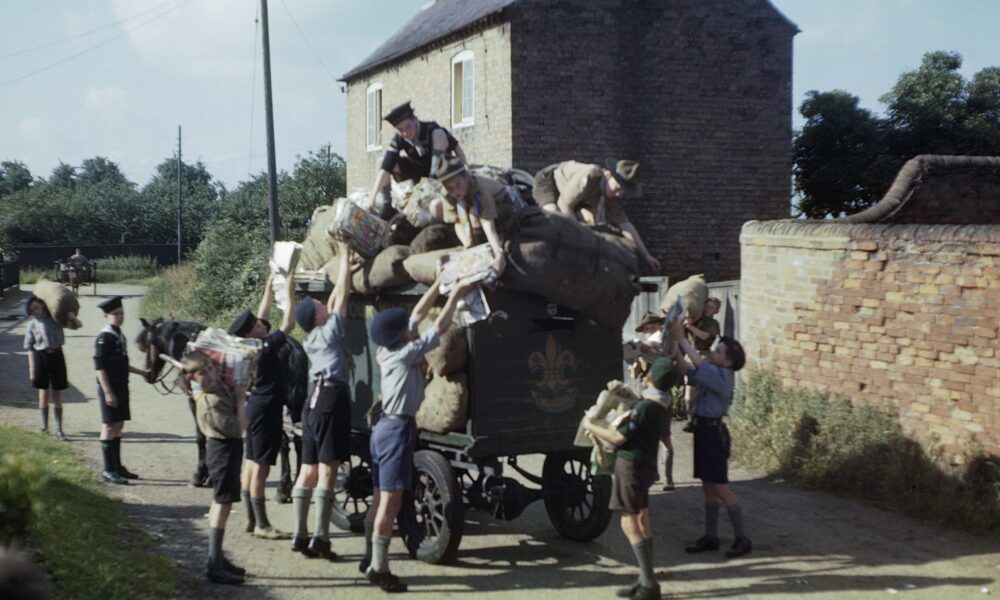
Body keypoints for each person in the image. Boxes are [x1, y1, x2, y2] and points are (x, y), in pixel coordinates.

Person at [361, 278, 472, 593]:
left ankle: (369, 556)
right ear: (403, 337)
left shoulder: (387, 350)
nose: (412, 327)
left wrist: (439, 282)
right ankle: (380, 569)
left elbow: (418, 313)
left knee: (381, 495)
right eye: (407, 328)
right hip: (396, 430)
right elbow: (439, 326)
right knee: (391, 502)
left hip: (385, 428)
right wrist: (457, 295)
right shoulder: (405, 355)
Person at [288, 242, 353, 560]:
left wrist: (343, 270)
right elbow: (342, 300)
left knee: (308, 470)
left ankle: (299, 534)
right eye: (318, 303)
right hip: (331, 400)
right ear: (316, 316)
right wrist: (346, 260)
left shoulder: (314, 337)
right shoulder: (328, 332)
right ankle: (321, 538)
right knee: (328, 470)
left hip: (312, 404)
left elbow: (333, 301)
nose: (323, 303)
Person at [583, 361, 669, 600]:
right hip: (646, 466)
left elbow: (618, 437)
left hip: (631, 467)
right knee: (643, 520)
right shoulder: (661, 406)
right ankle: (644, 578)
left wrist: (591, 424)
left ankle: (650, 584)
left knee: (628, 523)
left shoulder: (642, 408)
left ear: (651, 377)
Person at [667, 320, 751, 559]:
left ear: (728, 362)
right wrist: (675, 346)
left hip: (713, 433)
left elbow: (697, 364)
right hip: (704, 431)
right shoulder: (714, 371)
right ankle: (711, 536)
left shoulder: (722, 375)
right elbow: (687, 372)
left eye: (718, 351)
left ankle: (742, 538)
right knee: (708, 487)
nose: (713, 352)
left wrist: (681, 338)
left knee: (721, 488)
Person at [232, 273, 295, 539]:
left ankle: (250, 518)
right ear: (252, 331)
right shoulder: (266, 346)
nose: (262, 324)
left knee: (250, 461)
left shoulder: (250, 344)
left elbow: (262, 315)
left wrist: (268, 291)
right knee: (261, 466)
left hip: (254, 405)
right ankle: (262, 524)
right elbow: (289, 323)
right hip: (267, 408)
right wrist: (289, 290)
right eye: (258, 324)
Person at [183, 353, 248, 585]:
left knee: (222, 502)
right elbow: (239, 429)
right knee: (222, 503)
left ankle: (218, 558)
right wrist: (240, 401)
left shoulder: (211, 390)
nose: (210, 375)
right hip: (222, 452)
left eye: (211, 369)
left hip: (225, 451)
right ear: (192, 377)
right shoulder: (210, 401)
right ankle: (213, 564)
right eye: (204, 372)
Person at [533, 159, 660, 272]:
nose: (619, 193)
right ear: (608, 175)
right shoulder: (590, 174)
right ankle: (548, 258)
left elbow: (625, 225)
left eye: (623, 191)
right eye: (618, 188)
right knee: (554, 215)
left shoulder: (610, 195)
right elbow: (564, 204)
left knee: (591, 223)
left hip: (575, 198)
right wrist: (580, 237)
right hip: (550, 182)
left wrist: (647, 256)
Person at [367, 101, 467, 211]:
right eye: (400, 130)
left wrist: (465, 170)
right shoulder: (399, 138)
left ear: (415, 119)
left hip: (440, 171)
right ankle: (387, 206)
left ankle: (432, 188)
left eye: (408, 127)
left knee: (438, 134)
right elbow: (385, 167)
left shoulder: (431, 128)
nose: (405, 133)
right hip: (417, 171)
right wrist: (372, 199)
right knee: (381, 160)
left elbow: (457, 148)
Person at [94, 296, 149, 484]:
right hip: (109, 388)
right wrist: (108, 392)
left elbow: (123, 364)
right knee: (109, 426)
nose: (119, 316)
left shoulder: (118, 334)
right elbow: (100, 368)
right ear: (106, 316)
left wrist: (141, 372)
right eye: (115, 314)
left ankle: (117, 466)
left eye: (121, 313)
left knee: (119, 425)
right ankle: (108, 469)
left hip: (121, 386)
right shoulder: (104, 338)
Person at [430, 157, 513, 274]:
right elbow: (456, 222)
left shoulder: (480, 189)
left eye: (458, 185)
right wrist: (466, 245)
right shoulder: (447, 193)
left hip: (502, 205)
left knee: (474, 213)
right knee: (461, 209)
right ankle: (474, 246)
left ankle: (482, 246)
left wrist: (498, 253)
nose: (455, 191)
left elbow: (488, 224)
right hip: (470, 205)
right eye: (450, 188)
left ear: (467, 177)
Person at [24, 296, 70, 441]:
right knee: (43, 392)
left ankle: (59, 429)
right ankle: (44, 427)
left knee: (57, 392)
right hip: (41, 357)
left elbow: (73, 324)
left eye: (37, 307)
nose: (35, 311)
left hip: (56, 356)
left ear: (43, 306)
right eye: (32, 310)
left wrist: (72, 317)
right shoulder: (32, 325)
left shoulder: (55, 319)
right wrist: (32, 368)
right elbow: (30, 347)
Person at [682, 298, 722, 432]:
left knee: (700, 389)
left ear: (716, 311)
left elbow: (705, 336)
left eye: (712, 307)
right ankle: (690, 418)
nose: (708, 309)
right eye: (707, 306)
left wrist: (690, 326)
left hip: (703, 356)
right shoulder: (695, 319)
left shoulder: (713, 323)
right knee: (690, 388)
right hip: (690, 355)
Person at [642, 357, 676, 493]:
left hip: (660, 407)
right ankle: (656, 474)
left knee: (664, 439)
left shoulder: (662, 363)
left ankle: (668, 478)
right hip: (653, 403)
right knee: (655, 441)